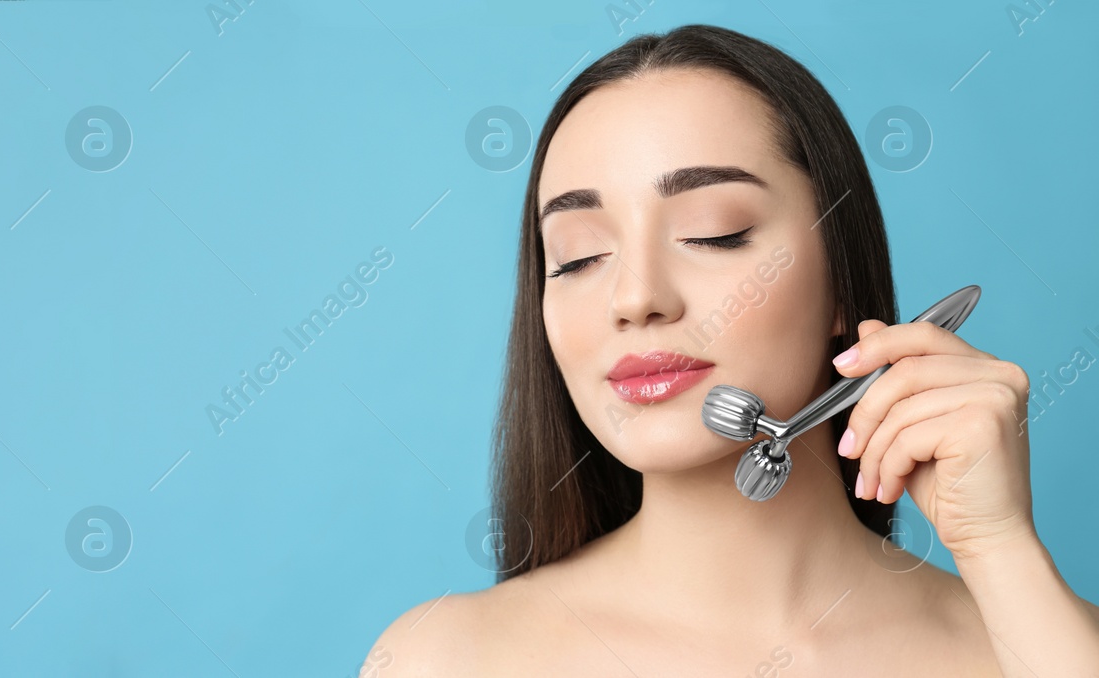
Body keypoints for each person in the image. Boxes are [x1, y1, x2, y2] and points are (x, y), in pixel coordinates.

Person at [365, 24, 1099, 676]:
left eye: (713, 233)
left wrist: (1000, 550)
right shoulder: (447, 659)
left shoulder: (1036, 645)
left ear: (842, 277)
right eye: (578, 256)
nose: (635, 297)